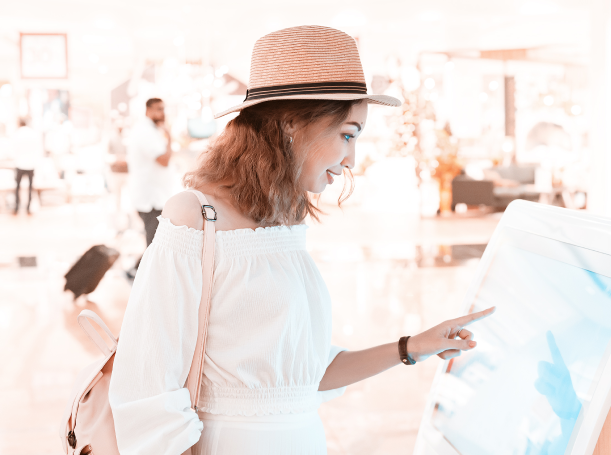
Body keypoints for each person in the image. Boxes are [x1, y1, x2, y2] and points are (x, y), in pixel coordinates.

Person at [108, 26, 495, 455]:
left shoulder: (284, 223)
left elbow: (305, 375)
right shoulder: (195, 216)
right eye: (347, 135)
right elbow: (147, 387)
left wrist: (413, 346)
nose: (352, 160)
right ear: (292, 122)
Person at [126, 98, 174, 277]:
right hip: (150, 198)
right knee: (155, 242)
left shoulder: (151, 131)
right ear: (148, 110)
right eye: (158, 109)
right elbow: (164, 160)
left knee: (155, 241)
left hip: (155, 195)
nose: (162, 113)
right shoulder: (145, 131)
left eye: (163, 109)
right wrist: (170, 138)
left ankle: (137, 271)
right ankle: (140, 274)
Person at [12, 118, 42, 215]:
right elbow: (38, 148)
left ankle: (16, 207)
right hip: (31, 164)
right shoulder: (33, 133)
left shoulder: (17, 134)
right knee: (30, 187)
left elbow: (13, 149)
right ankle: (28, 208)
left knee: (17, 187)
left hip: (20, 163)